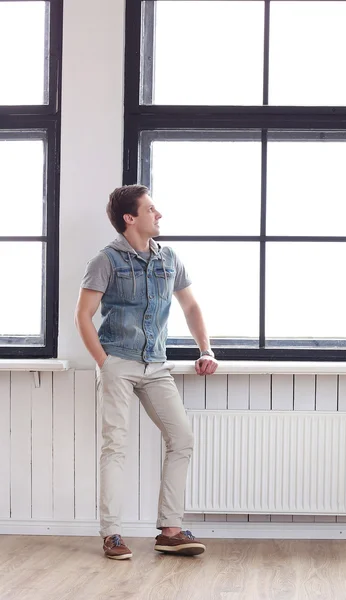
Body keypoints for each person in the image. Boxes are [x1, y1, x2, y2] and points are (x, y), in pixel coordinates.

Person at [75, 184, 218, 559]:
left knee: (182, 438)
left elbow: (190, 307)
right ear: (130, 218)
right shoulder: (106, 260)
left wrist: (206, 349)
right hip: (118, 362)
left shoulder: (169, 258)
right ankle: (112, 534)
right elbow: (83, 316)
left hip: (156, 365)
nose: (159, 215)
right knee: (115, 446)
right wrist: (104, 363)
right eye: (152, 209)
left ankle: (170, 530)